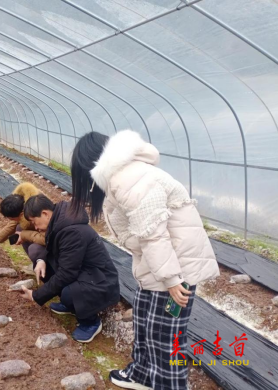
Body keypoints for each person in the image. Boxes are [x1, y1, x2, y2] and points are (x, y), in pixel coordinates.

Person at [71, 130, 219, 390]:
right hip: (157, 266)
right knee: (144, 322)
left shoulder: (130, 179)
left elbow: (153, 233)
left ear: (90, 165)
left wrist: (173, 280)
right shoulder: (123, 177)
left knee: (165, 338)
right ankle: (141, 375)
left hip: (175, 268)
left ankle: (168, 385)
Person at [18, 194, 120, 343]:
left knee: (68, 294)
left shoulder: (72, 232)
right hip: (86, 272)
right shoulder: (60, 224)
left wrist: (36, 295)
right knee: (45, 269)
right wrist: (41, 260)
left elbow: (67, 273)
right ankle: (73, 306)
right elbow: (58, 253)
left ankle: (90, 322)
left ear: (45, 214)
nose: (35, 227)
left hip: (102, 281)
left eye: (34, 222)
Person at [0, 183, 47, 274]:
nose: (12, 220)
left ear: (22, 214)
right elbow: (14, 223)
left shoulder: (39, 213)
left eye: (12, 218)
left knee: (34, 248)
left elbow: (46, 238)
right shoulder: (25, 206)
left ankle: (43, 266)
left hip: (51, 241)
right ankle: (37, 262)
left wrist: (23, 235)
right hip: (42, 235)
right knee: (19, 228)